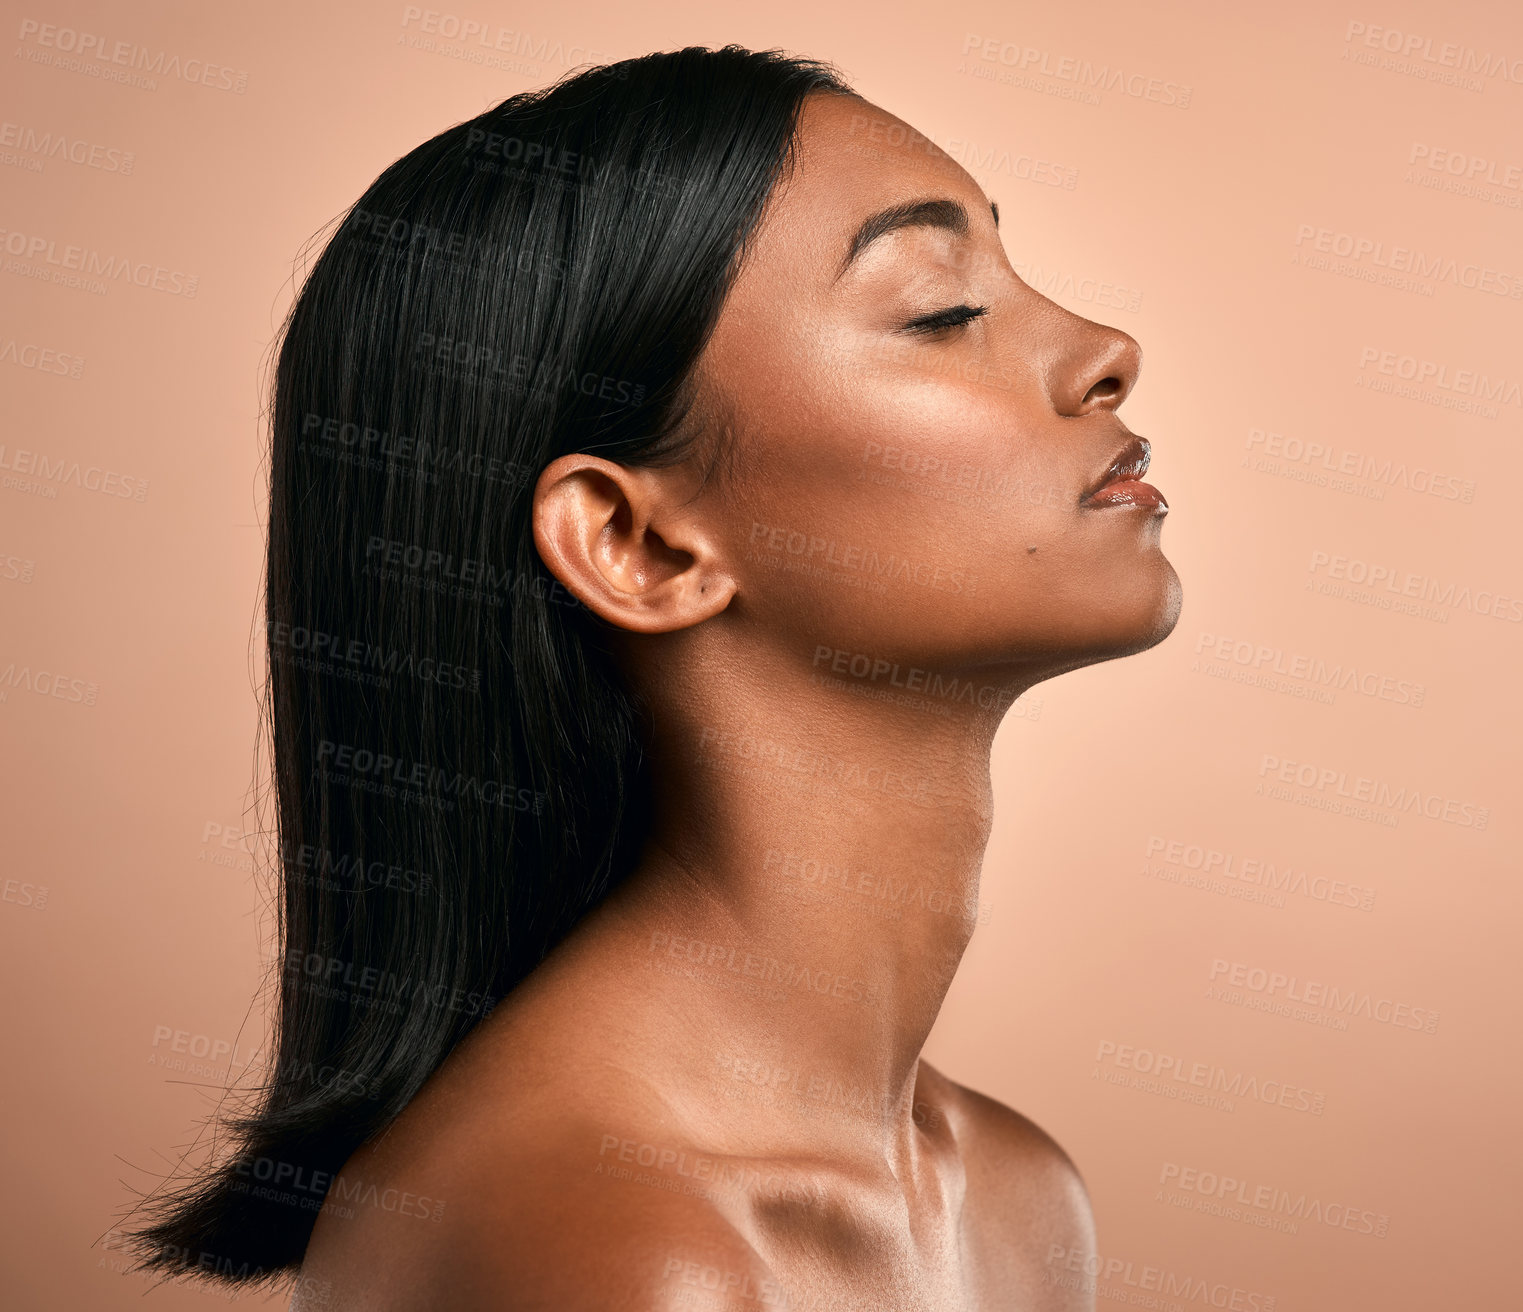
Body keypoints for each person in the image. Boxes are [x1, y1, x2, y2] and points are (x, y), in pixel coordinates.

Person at [129, 44, 1180, 1310]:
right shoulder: (619, 1253)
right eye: (939, 310)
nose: (1105, 348)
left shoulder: (1015, 1197)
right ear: (637, 543)